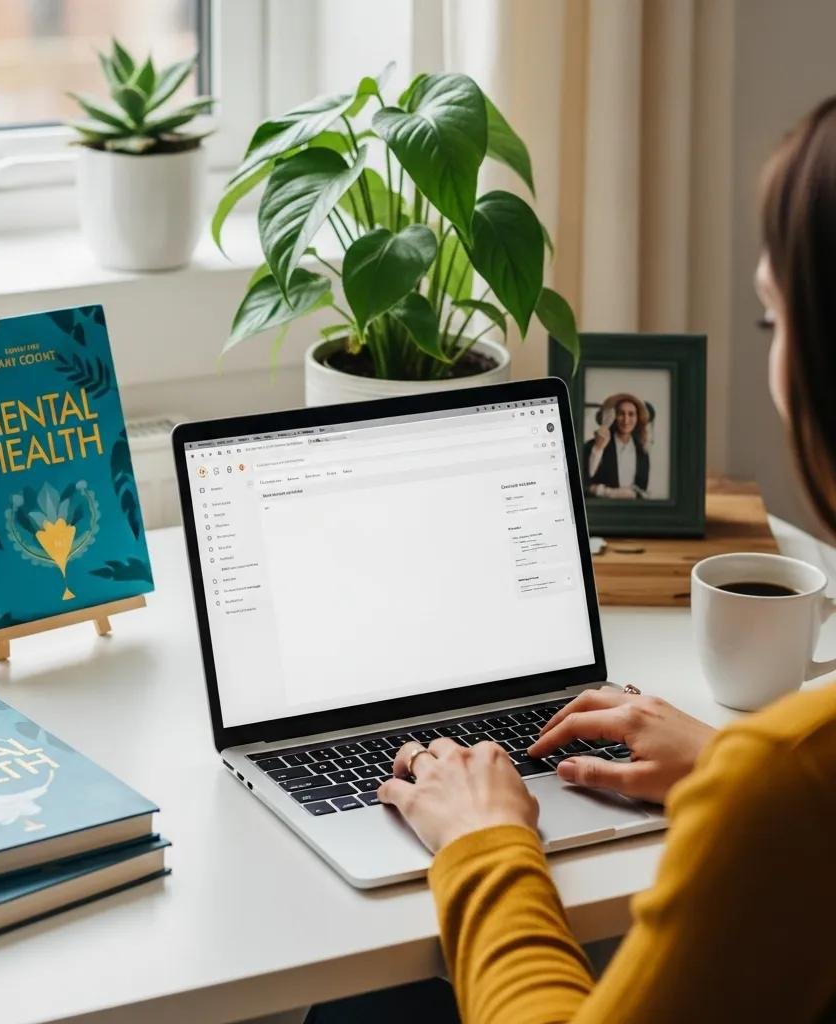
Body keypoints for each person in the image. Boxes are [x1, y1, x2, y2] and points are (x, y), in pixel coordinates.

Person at [338, 96, 836, 1023]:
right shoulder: (791, 775)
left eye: (774, 323)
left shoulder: (789, 787)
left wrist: (484, 842)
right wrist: (735, 761)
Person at [583, 393, 651, 498]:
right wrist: (598, 448)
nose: (626, 420)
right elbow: (586, 483)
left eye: (631, 414)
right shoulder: (592, 445)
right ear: (614, 416)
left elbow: (642, 490)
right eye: (621, 414)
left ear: (637, 418)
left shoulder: (642, 451)